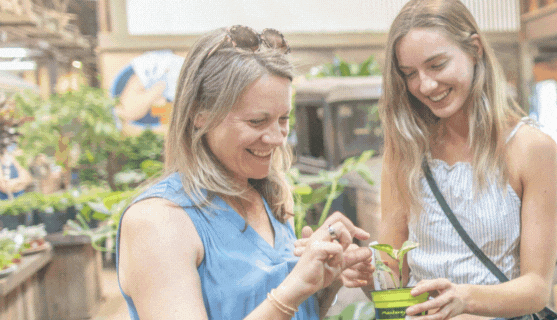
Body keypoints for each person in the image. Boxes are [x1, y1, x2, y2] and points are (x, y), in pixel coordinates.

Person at [116, 26, 373, 320]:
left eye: (283, 119)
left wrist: (326, 280)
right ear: (199, 115)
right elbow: (283, 301)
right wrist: (292, 290)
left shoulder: (269, 196)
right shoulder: (158, 221)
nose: (277, 138)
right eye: (256, 121)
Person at [371, 0, 557, 319]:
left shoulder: (531, 149)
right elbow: (392, 274)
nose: (425, 85)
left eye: (437, 65)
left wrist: (464, 298)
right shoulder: (405, 147)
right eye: (409, 74)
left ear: (475, 49)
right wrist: (367, 275)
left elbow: (536, 289)